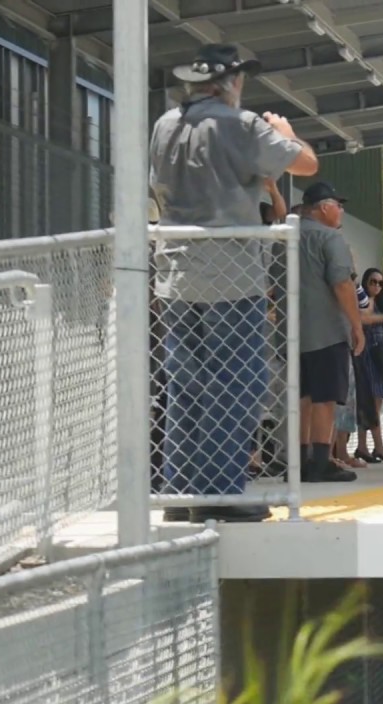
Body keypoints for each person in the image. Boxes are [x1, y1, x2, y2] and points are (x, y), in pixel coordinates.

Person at [149, 43, 318, 523]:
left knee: (185, 384)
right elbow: (305, 164)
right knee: (238, 382)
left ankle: (181, 494)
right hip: (232, 274)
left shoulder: (165, 125)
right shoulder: (240, 124)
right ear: (232, 83)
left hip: (176, 272)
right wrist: (287, 133)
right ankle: (220, 490)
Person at [296, 181, 364, 483]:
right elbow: (342, 283)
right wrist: (356, 325)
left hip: (291, 333)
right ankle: (322, 460)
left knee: (303, 396)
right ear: (323, 207)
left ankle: (300, 461)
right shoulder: (330, 239)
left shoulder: (283, 238)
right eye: (338, 205)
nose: (342, 211)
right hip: (326, 330)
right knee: (325, 398)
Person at [354, 267, 383, 463]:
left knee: (373, 404)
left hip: (379, 357)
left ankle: (363, 446)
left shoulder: (380, 304)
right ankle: (378, 447)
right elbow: (364, 319)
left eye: (380, 283)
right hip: (368, 354)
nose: (377, 286)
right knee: (370, 403)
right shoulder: (366, 303)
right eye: (373, 282)